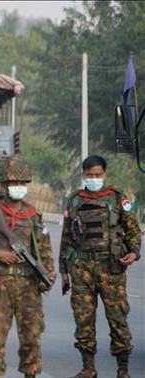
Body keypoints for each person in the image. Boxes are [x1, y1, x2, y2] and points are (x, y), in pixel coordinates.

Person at [0, 156, 56, 378]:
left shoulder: (33, 215)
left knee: (32, 335)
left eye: (21, 183)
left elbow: (44, 250)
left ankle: (30, 374)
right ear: (3, 185)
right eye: (12, 183)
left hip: (29, 285)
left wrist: (47, 277)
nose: (17, 187)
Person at [59, 155, 141, 378]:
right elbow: (66, 238)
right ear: (83, 175)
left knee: (117, 318)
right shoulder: (75, 201)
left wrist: (134, 252)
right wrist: (64, 271)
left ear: (104, 174)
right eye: (90, 175)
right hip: (82, 268)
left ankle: (123, 370)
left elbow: (133, 230)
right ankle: (88, 368)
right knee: (83, 318)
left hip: (111, 268)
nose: (94, 179)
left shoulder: (116, 199)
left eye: (98, 175)